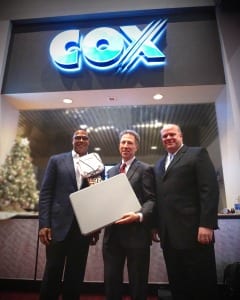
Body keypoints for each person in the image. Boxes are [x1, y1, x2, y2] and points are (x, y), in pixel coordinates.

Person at [152, 124, 219, 300]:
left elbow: (209, 190)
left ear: (181, 135)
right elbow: (159, 198)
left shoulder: (197, 154)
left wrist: (207, 224)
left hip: (195, 232)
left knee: (201, 282)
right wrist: (155, 226)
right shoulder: (159, 164)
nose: (168, 138)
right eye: (164, 136)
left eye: (172, 134)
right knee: (177, 282)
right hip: (169, 236)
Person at [38, 129, 100, 300]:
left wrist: (95, 228)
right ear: (72, 140)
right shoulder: (57, 161)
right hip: (57, 227)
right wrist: (44, 224)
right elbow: (46, 194)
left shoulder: (95, 164)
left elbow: (97, 196)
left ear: (88, 142)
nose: (81, 140)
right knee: (52, 271)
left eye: (84, 138)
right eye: (77, 137)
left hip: (82, 229)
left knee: (76, 274)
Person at [102, 129, 156, 300]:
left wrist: (139, 216)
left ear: (136, 147)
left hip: (136, 235)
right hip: (112, 236)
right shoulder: (111, 172)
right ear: (119, 146)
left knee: (138, 283)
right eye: (123, 142)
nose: (125, 146)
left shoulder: (146, 169)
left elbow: (151, 200)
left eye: (129, 143)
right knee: (111, 282)